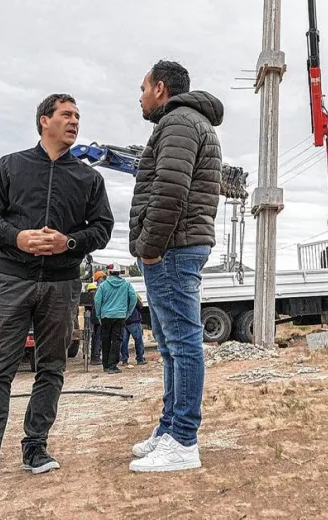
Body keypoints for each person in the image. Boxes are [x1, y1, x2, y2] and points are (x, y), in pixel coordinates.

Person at [0, 93, 115, 492]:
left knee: (51, 368)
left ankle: (36, 447)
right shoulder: (10, 166)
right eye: (66, 115)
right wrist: (18, 237)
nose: (74, 122)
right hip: (12, 281)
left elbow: (102, 228)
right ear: (43, 120)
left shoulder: (89, 178)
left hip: (62, 284)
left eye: (77, 116)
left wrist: (67, 244)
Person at [127, 59, 223, 473]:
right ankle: (169, 429)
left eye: (144, 88)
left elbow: (169, 191)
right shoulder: (185, 122)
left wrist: (149, 247)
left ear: (161, 88)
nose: (141, 96)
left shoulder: (179, 123)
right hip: (176, 245)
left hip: (172, 247)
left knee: (183, 343)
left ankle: (184, 440)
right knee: (169, 345)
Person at [93, 265, 138, 373]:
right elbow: (134, 298)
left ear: (109, 273)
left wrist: (99, 314)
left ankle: (106, 365)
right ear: (119, 273)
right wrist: (128, 312)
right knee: (116, 341)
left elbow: (97, 300)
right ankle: (113, 366)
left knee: (106, 340)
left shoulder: (103, 286)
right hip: (120, 316)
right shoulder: (126, 285)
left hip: (106, 316)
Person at [121, 295, 147, 367]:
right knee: (138, 341)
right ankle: (140, 359)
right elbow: (140, 306)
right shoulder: (133, 295)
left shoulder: (120, 295)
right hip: (134, 320)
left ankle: (124, 360)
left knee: (124, 342)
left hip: (123, 321)